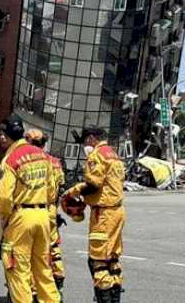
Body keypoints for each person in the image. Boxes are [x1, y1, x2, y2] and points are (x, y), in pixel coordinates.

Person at [0, 116, 60, 303]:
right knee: (43, 270)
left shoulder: (10, 160)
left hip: (20, 219)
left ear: (5, 136)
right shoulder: (42, 155)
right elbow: (52, 191)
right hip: (43, 215)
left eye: (2, 134)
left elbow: (4, 198)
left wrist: (5, 221)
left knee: (17, 271)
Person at [62, 127, 125, 303]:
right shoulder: (113, 154)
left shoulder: (97, 155)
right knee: (112, 259)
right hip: (117, 211)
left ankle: (104, 299)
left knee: (98, 261)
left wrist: (75, 191)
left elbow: (94, 184)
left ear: (91, 139)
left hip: (103, 213)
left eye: (84, 142)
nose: (84, 146)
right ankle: (114, 298)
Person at [24, 129, 66, 295]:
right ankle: (58, 279)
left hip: (36, 208)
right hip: (51, 209)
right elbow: (61, 186)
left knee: (33, 251)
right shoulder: (55, 161)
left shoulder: (32, 160)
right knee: (53, 247)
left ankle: (33, 288)